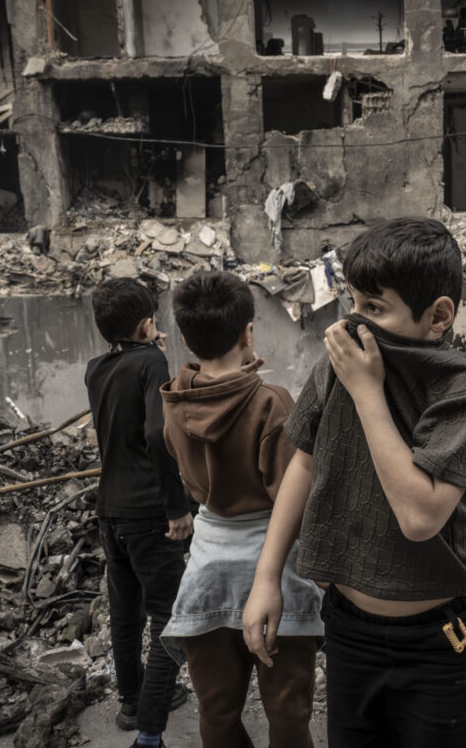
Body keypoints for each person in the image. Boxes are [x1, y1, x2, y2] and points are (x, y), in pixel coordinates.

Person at [242, 217, 466, 748]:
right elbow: (305, 464)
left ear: (438, 316)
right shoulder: (340, 367)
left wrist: (367, 392)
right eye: (354, 303)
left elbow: (420, 516)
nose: (355, 325)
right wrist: (267, 577)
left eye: (376, 308)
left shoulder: (463, 386)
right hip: (349, 629)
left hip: (441, 638)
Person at [158, 270, 322, 748]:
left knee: (218, 710)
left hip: (207, 569)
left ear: (187, 338)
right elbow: (295, 494)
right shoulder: (273, 404)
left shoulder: (174, 400)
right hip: (276, 574)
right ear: (248, 332)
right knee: (288, 712)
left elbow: (185, 462)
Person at [85, 278, 191, 748]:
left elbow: (131, 377)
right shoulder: (151, 361)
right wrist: (177, 507)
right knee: (169, 617)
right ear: (148, 322)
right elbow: (155, 433)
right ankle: (150, 723)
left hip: (109, 510)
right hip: (150, 511)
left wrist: (150, 353)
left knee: (125, 613)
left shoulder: (96, 368)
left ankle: (131, 698)